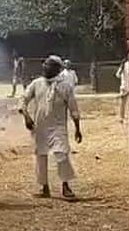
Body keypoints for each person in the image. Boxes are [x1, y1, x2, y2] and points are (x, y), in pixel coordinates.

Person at [20, 55, 83, 199]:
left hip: (58, 127)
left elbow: (73, 108)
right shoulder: (37, 83)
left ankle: (66, 186)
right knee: (41, 156)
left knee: (62, 155)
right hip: (40, 127)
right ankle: (44, 187)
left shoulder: (65, 86)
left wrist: (78, 128)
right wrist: (26, 116)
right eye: (45, 65)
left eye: (49, 65)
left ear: (57, 69)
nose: (45, 67)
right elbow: (23, 99)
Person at [116, 58, 129, 123]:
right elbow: (118, 75)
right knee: (124, 103)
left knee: (123, 104)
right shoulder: (126, 65)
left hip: (125, 86)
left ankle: (122, 117)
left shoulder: (124, 65)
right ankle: (122, 117)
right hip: (127, 87)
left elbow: (117, 75)